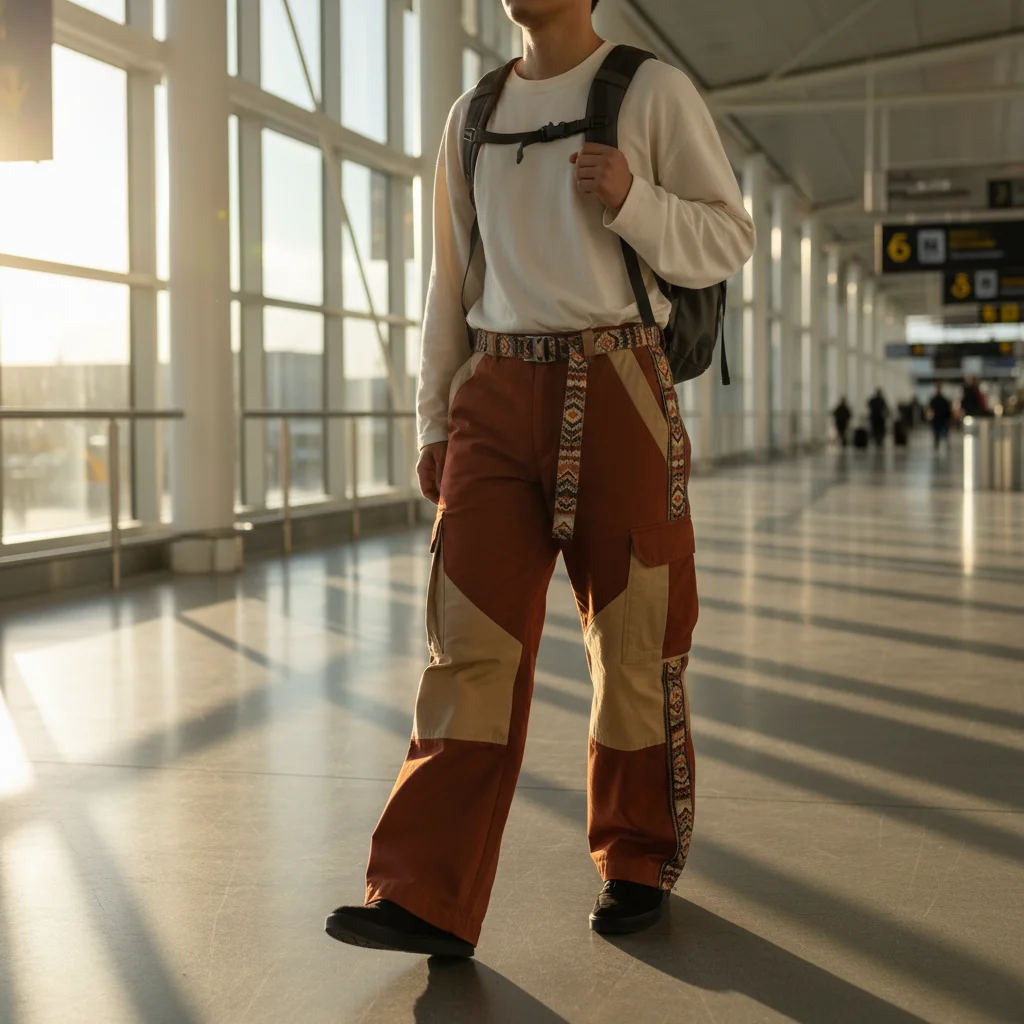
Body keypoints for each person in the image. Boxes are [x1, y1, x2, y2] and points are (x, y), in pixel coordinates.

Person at [324, 0, 754, 957]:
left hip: (622, 384)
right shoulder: (470, 116)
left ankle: (636, 859)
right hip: (496, 390)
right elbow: (450, 278)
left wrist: (634, 198)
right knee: (465, 647)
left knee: (636, 641)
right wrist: (435, 420)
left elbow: (728, 238)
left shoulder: (651, 90)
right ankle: (423, 894)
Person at [929, 384, 952, 450]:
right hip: (939, 419)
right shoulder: (940, 399)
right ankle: (938, 446)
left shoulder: (939, 399)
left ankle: (939, 446)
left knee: (942, 434)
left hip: (940, 419)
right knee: (939, 434)